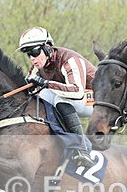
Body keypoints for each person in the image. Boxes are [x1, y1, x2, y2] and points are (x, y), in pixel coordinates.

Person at [19, 26, 95, 168]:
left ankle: (82, 150)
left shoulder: (69, 59)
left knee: (60, 99)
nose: (32, 58)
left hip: (93, 98)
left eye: (35, 52)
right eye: (28, 54)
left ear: (47, 48)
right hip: (72, 97)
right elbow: (28, 90)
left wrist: (45, 83)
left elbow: (77, 91)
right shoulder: (38, 65)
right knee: (40, 97)